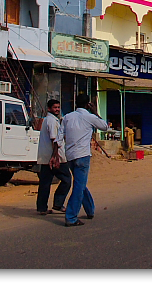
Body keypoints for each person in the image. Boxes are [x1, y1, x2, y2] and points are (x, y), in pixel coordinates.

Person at [58, 93, 108, 227]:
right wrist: (95, 112)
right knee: (79, 186)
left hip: (70, 156)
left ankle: (90, 209)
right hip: (83, 155)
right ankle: (71, 216)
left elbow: (59, 138)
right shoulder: (89, 117)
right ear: (88, 105)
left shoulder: (67, 117)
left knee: (80, 184)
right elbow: (104, 126)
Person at [36, 99, 73, 215]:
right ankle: (58, 203)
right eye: (55, 107)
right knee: (67, 180)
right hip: (55, 157)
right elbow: (54, 140)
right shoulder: (52, 121)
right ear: (49, 109)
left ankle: (42, 208)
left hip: (46, 157)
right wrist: (56, 157)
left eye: (58, 107)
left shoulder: (48, 120)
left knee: (45, 183)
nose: (57, 109)